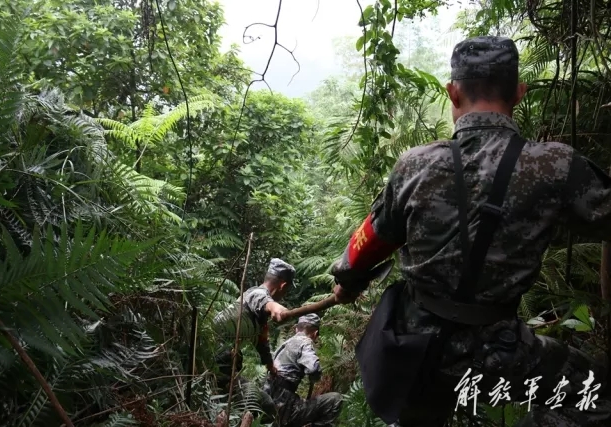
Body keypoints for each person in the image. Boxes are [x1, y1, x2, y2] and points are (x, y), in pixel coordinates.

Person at [329, 35, 611, 427]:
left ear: (453, 92)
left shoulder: (414, 165)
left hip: (415, 347)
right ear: (519, 93)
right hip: (498, 351)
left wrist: (347, 284)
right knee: (599, 397)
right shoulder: (556, 167)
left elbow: (371, 241)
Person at [212, 258, 295, 420]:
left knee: (264, 405)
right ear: (283, 285)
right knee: (258, 406)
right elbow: (263, 300)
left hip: (225, 366)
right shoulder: (256, 294)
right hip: (215, 364)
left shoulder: (258, 315)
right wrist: (276, 307)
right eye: (287, 290)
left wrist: (271, 366)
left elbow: (262, 343)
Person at [264, 314, 343, 427]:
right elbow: (313, 369)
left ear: (296, 329)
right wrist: (314, 377)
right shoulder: (305, 342)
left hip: (269, 407)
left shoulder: (284, 344)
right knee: (336, 399)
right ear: (315, 333)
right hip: (285, 410)